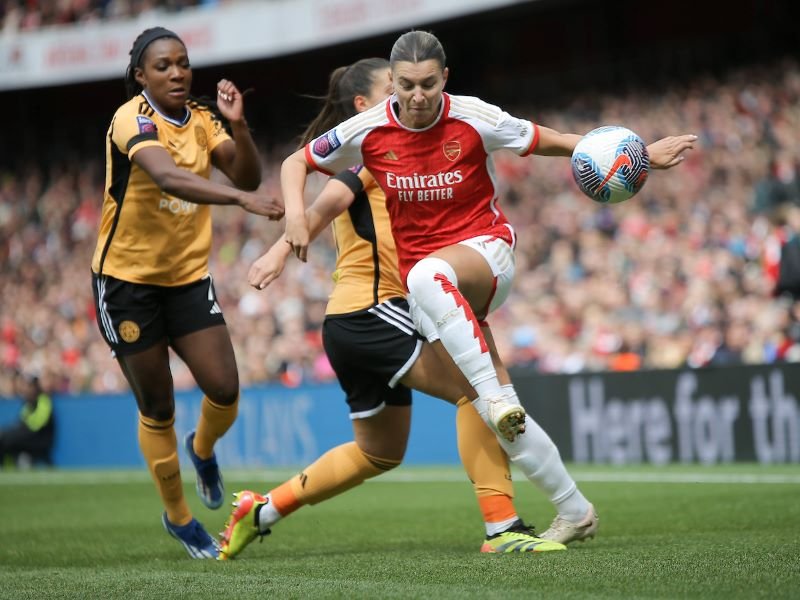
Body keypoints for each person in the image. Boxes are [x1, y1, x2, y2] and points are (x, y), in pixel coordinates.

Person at [280, 31, 697, 544]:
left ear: (445, 79)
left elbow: (548, 141)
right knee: (491, 409)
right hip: (436, 293)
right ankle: (574, 509)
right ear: (393, 86)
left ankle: (495, 399)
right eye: (406, 86)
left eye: (428, 84)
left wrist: (634, 152)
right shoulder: (366, 130)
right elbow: (295, 162)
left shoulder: (474, 116)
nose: (416, 96)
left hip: (485, 255)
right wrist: (294, 218)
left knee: (428, 282)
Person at [218, 58, 566, 559]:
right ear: (365, 106)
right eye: (394, 90)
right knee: (478, 388)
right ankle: (502, 527)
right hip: (375, 311)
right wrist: (279, 248)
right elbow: (328, 203)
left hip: (349, 323)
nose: (411, 100)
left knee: (377, 451)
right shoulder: (375, 152)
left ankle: (263, 509)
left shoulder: (402, 148)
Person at [90, 27, 283, 559]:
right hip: (126, 283)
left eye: (183, 63)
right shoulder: (132, 119)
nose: (177, 73)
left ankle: (203, 451)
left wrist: (240, 127)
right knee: (158, 405)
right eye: (163, 66)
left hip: (186, 279)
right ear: (140, 76)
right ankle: (178, 516)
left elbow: (246, 174)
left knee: (223, 388)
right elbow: (169, 178)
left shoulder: (201, 119)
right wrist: (239, 204)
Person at [0, 372, 55, 468]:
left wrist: (16, 432)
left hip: (39, 438)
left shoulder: (43, 400)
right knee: (4, 437)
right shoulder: (27, 403)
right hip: (28, 436)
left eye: (29, 386)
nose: (26, 389)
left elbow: (36, 424)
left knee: (7, 438)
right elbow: (21, 420)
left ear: (35, 387)